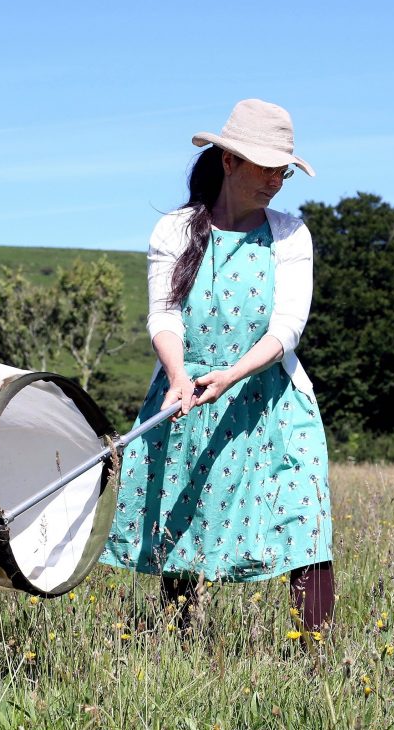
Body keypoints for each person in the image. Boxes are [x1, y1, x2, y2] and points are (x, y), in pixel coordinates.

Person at [99, 99, 334, 633]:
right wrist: (180, 376)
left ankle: (319, 665)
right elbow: (164, 316)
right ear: (229, 161)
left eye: (284, 171)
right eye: (266, 168)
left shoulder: (290, 233)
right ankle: (183, 653)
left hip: (272, 395)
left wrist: (231, 375)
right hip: (187, 390)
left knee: (305, 521)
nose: (277, 181)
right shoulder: (176, 231)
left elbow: (287, 327)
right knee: (183, 520)